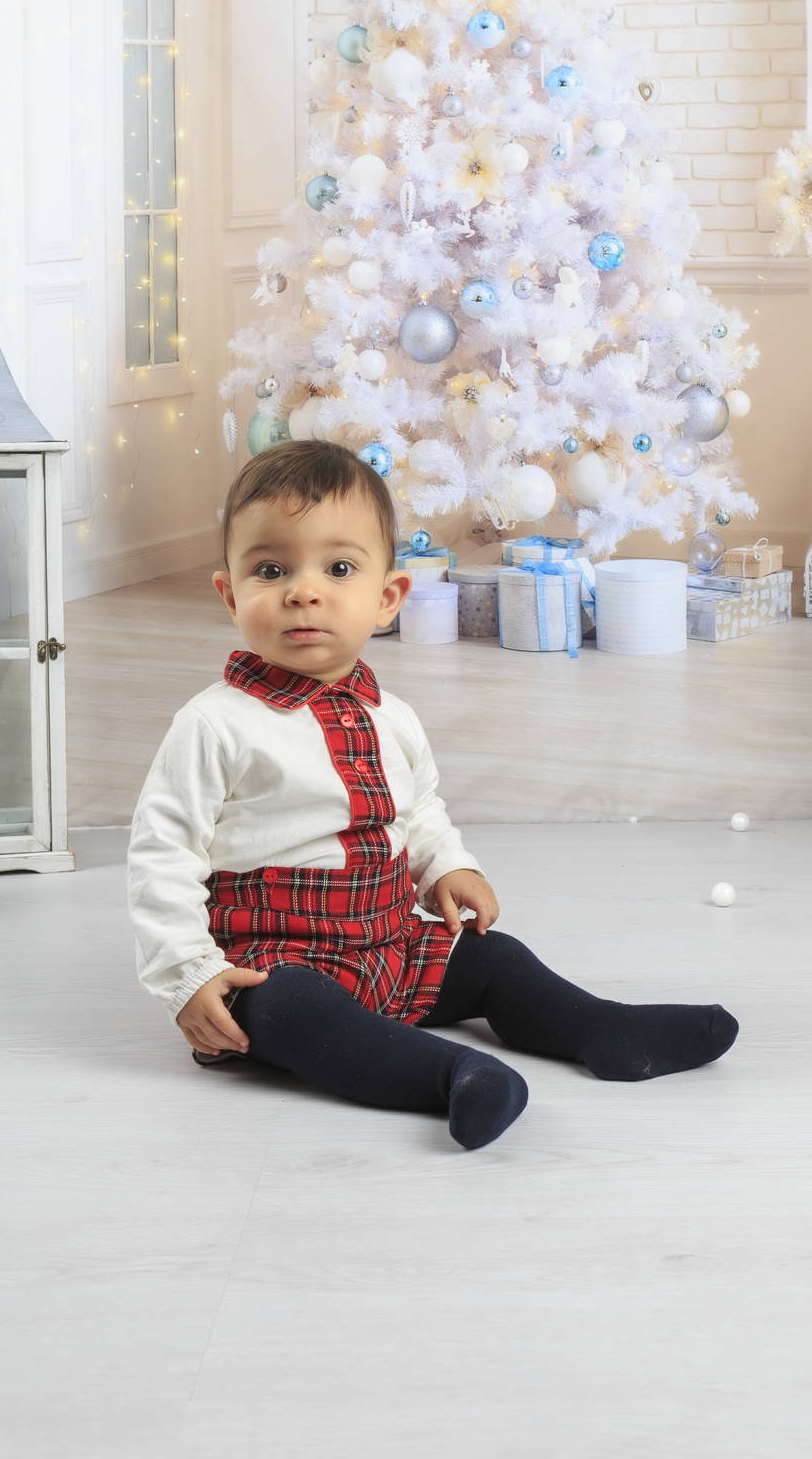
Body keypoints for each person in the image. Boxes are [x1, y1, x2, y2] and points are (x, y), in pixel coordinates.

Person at [127, 443, 738, 1149]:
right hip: (275, 960)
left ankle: (603, 1029)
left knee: (494, 958)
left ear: (388, 598)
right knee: (293, 1009)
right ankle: (453, 1076)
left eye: (339, 569)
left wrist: (447, 864)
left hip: (390, 942)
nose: (303, 591)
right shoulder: (215, 724)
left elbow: (417, 810)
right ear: (231, 595)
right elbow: (163, 854)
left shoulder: (393, 716)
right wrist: (187, 975)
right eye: (271, 570)